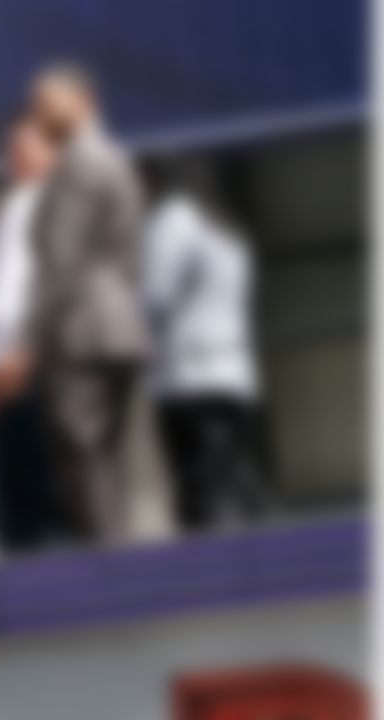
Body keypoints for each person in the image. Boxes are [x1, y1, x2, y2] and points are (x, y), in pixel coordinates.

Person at [21, 64, 170, 544]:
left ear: (84, 98)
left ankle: (113, 580)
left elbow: (62, 262)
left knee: (83, 462)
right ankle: (120, 566)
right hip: (118, 325)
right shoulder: (115, 157)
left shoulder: (81, 163)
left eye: (47, 100)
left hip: (81, 332)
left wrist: (28, 342)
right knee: (108, 461)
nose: (37, 111)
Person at [142, 157, 268, 530]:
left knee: (200, 491)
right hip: (233, 375)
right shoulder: (225, 227)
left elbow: (155, 295)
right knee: (227, 478)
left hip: (191, 376)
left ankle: (216, 575)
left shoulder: (172, 222)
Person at [0, 118, 63, 553]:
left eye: (28, 146)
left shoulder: (52, 203)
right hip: (1, 372)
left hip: (31, 364)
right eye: (11, 148)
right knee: (11, 508)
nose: (16, 156)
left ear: (55, 153)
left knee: (39, 502)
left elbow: (45, 288)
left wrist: (23, 352)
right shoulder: (13, 205)